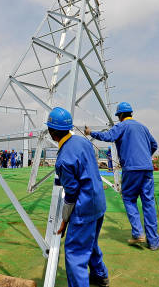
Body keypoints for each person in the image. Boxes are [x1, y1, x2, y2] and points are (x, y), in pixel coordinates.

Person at [85, 101, 159, 251]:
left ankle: (138, 232)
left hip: (132, 169)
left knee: (128, 198)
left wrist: (90, 133)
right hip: (147, 169)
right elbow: (154, 145)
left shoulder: (121, 126)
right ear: (131, 113)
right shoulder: (143, 127)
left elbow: (107, 136)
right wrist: (145, 157)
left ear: (120, 115)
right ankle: (153, 243)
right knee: (148, 203)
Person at [49, 107, 109, 287]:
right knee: (90, 242)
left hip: (84, 209)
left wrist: (64, 219)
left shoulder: (63, 160)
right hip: (99, 204)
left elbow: (72, 193)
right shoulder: (82, 142)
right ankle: (100, 275)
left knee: (75, 252)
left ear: (52, 133)